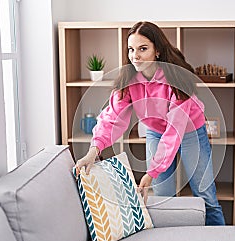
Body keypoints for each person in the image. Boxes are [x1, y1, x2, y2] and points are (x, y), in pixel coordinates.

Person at [75, 21, 225, 225]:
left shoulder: (177, 79)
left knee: (205, 195)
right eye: (131, 49)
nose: (135, 55)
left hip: (191, 132)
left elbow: (174, 131)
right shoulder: (128, 82)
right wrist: (93, 151)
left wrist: (151, 172)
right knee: (163, 197)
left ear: (157, 51)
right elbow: (112, 117)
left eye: (142, 49)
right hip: (156, 131)